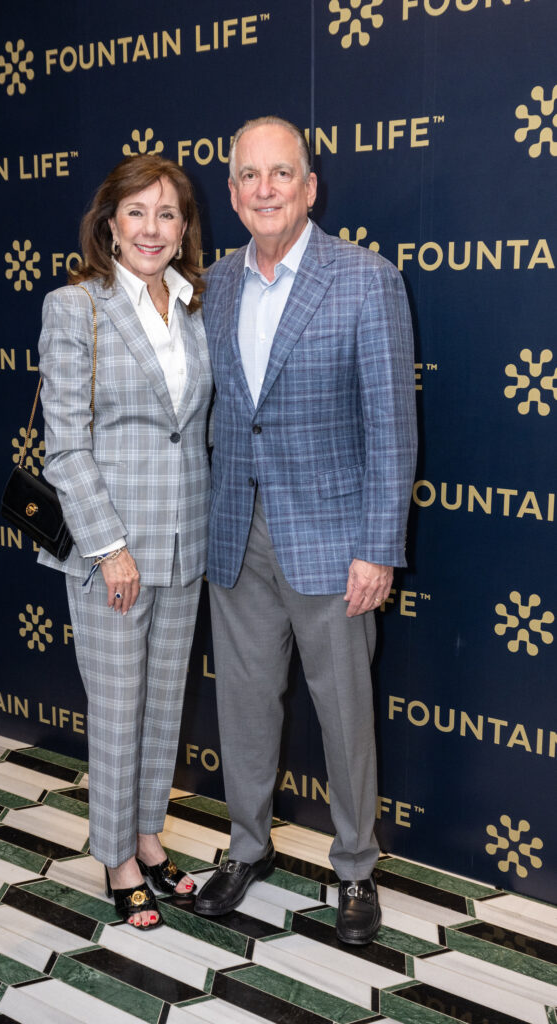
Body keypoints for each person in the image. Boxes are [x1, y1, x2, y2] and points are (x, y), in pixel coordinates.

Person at [194, 117, 417, 945]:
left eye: (279, 174)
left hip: (333, 543)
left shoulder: (365, 280)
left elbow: (391, 427)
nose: (263, 190)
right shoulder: (211, 284)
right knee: (246, 709)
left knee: (344, 713)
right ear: (231, 192)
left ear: (309, 186)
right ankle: (246, 849)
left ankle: (354, 867)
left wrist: (377, 546)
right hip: (235, 534)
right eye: (247, 176)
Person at [37, 154, 212, 929]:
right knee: (115, 710)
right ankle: (112, 856)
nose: (151, 228)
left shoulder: (194, 304)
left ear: (183, 230)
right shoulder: (76, 307)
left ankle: (147, 836)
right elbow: (65, 446)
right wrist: (109, 547)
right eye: (135, 212)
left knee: (162, 705)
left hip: (184, 541)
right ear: (108, 223)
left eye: (166, 214)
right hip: (111, 550)